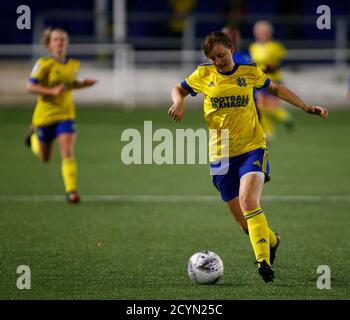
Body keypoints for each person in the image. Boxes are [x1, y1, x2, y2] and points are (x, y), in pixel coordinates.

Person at [168, 31, 328, 283]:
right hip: (220, 156)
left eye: (221, 55)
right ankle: (273, 240)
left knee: (248, 200)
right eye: (213, 58)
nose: (218, 61)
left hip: (252, 148)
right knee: (244, 223)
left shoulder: (249, 72)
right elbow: (179, 88)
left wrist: (305, 106)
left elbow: (275, 88)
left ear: (231, 48)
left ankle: (263, 261)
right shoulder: (203, 75)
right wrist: (179, 102)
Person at [25, 27, 97, 203]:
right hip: (44, 116)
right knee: (45, 157)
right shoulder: (43, 64)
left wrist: (83, 85)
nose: (60, 42)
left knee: (67, 151)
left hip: (66, 114)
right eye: (56, 39)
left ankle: (71, 191)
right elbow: (30, 86)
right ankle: (34, 137)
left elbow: (69, 86)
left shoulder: (74, 65)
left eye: (63, 39)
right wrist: (50, 90)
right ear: (49, 44)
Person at [249, 20, 293, 139]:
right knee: (261, 107)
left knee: (267, 107)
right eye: (258, 31)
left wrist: (272, 67)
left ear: (269, 33)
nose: (260, 34)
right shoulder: (253, 47)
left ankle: (282, 118)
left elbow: (283, 61)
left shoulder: (275, 47)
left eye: (263, 31)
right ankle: (270, 130)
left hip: (272, 80)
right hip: (258, 80)